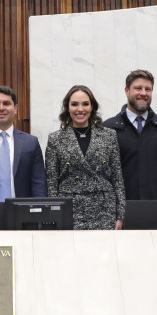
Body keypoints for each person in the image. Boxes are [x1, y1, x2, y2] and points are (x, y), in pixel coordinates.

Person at [44, 85, 125, 230]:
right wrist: (53, 216)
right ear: (67, 107)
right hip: (69, 210)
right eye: (74, 104)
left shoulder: (109, 136)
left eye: (85, 104)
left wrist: (120, 216)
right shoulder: (55, 139)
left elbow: (117, 178)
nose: (80, 109)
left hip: (105, 210)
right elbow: (51, 183)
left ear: (92, 107)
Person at [104, 70, 157, 201]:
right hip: (120, 214)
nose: (143, 93)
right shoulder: (107, 129)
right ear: (126, 90)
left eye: (148, 89)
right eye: (138, 88)